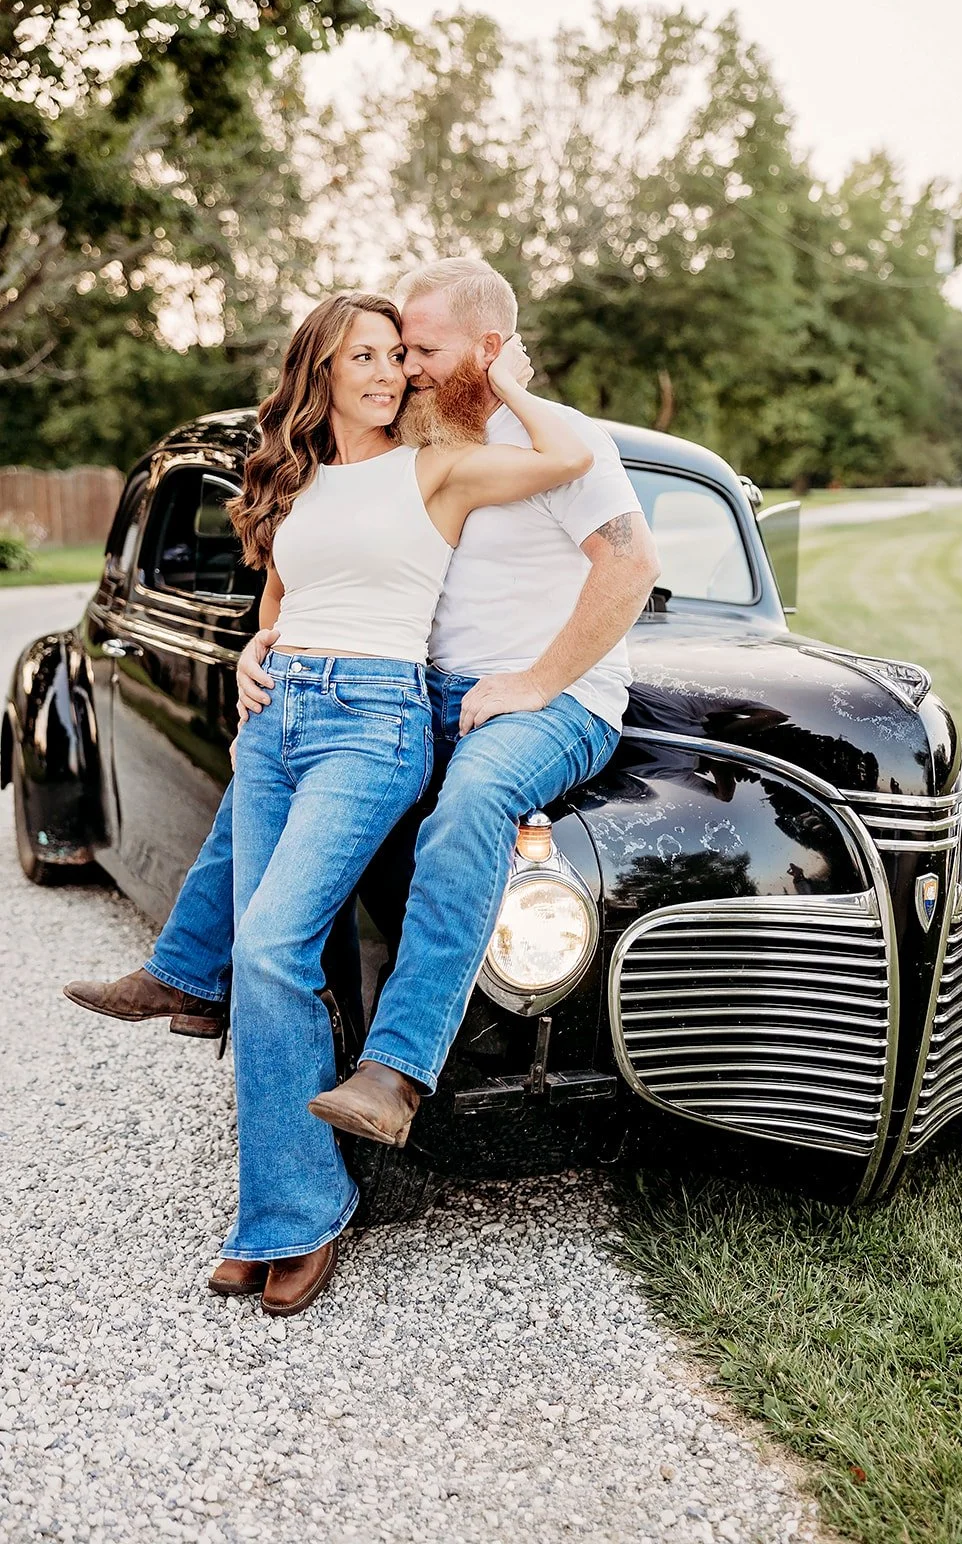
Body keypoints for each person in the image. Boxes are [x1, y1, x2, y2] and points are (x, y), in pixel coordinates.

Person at [64, 258, 661, 1309]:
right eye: (381, 355)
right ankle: (219, 1046)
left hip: (524, 697)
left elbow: (627, 565)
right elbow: (331, 576)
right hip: (385, 696)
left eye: (417, 351)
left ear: (481, 348)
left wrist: (532, 680)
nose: (404, 373)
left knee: (445, 820)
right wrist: (265, 646)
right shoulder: (407, 444)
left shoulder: (532, 439)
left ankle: (394, 1071)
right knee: (269, 933)